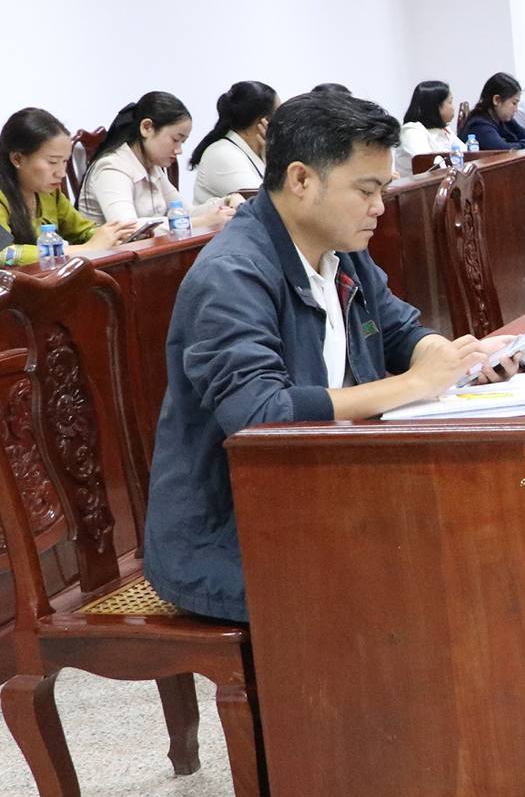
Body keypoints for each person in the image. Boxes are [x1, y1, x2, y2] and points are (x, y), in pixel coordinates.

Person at [143, 91, 503, 621]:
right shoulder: (231, 274)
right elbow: (260, 414)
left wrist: (449, 356)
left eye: (383, 190)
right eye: (366, 190)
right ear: (301, 180)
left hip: (328, 495)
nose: (379, 207)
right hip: (238, 537)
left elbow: (399, 328)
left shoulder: (340, 250)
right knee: (435, 575)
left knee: (480, 534)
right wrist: (414, 384)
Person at [81, 92, 241, 227]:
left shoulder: (151, 166)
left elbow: (186, 212)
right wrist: (203, 221)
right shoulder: (111, 167)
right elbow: (128, 229)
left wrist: (225, 202)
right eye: (175, 140)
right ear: (147, 127)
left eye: (182, 142)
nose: (179, 150)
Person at [0, 108, 136, 253]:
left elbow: (82, 231)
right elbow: (4, 253)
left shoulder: (50, 193)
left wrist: (112, 236)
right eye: (52, 162)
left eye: (64, 161)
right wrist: (85, 248)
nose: (61, 173)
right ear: (17, 159)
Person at [189, 81, 275, 203]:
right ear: (263, 122)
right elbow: (267, 205)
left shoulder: (259, 151)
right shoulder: (223, 154)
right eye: (280, 115)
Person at [462, 72, 525, 151]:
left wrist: (517, 145)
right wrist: (522, 144)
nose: (516, 109)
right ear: (497, 100)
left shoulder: (505, 121)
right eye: (514, 103)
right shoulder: (479, 125)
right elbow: (503, 149)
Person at [395, 80, 463, 172]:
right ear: (436, 106)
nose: (453, 108)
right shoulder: (412, 131)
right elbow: (430, 165)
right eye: (450, 102)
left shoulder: (444, 129)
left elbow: (467, 154)